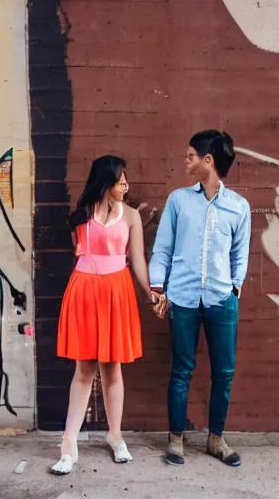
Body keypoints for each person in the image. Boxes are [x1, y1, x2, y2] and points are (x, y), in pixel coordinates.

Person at [52, 155, 160, 475]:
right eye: (119, 180)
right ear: (105, 182)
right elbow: (79, 253)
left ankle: (115, 436)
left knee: (112, 368)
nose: (125, 185)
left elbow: (137, 260)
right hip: (85, 291)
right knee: (84, 369)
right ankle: (68, 443)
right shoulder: (82, 216)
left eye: (126, 180)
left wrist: (149, 290)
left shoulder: (131, 217)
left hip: (117, 291)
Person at [150, 130, 251, 467]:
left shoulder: (239, 207)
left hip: (222, 301)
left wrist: (234, 289)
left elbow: (241, 255)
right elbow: (162, 249)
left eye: (191, 156)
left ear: (209, 161)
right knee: (181, 370)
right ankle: (176, 440)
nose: (186, 161)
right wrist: (159, 288)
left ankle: (215, 440)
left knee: (224, 372)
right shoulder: (179, 201)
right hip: (183, 299)